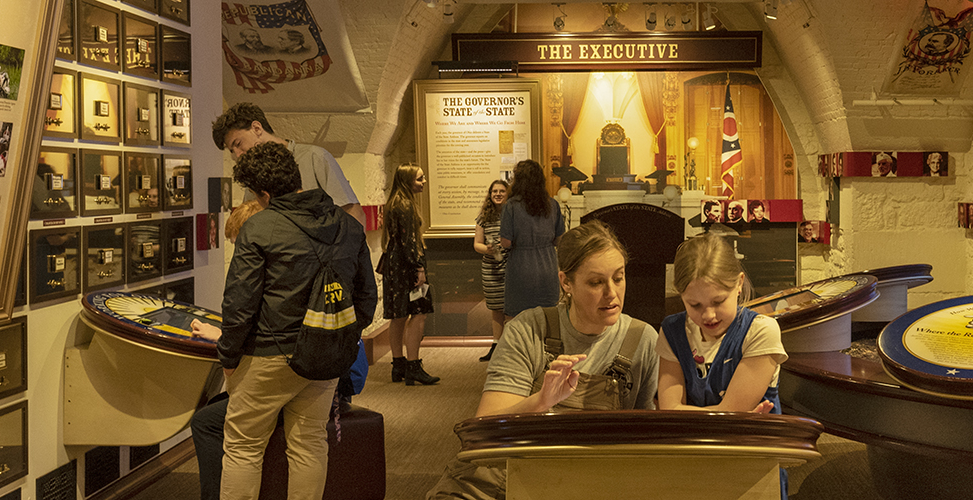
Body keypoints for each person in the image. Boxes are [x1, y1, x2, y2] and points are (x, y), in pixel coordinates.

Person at [426, 221, 660, 499]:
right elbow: (485, 428)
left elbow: (645, 438)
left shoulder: (641, 338)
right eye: (596, 282)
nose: (611, 292)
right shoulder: (529, 329)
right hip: (510, 473)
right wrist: (542, 401)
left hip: (591, 478)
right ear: (566, 282)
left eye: (618, 278)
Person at [201, 141, 376, 500]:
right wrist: (341, 340)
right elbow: (366, 298)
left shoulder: (261, 227)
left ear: (264, 192)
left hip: (267, 355)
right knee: (310, 444)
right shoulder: (348, 225)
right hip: (324, 357)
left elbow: (239, 303)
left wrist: (229, 357)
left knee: (243, 447)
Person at [657, 231, 788, 496]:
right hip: (690, 464)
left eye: (718, 301)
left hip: (752, 462)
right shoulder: (671, 330)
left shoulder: (761, 330)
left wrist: (709, 414)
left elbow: (729, 412)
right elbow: (669, 409)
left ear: (739, 284)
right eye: (694, 304)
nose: (708, 315)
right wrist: (729, 416)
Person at [212, 102, 367, 225]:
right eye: (232, 151)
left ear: (257, 128)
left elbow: (353, 216)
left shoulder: (315, 157)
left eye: (238, 143)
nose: (237, 155)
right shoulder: (252, 174)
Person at [379, 164, 439, 385]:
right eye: (419, 179)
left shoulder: (394, 202)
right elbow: (409, 242)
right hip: (407, 267)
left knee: (398, 316)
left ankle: (399, 364)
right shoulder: (405, 206)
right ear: (407, 181)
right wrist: (419, 268)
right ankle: (413, 365)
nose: (424, 182)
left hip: (395, 265)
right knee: (419, 313)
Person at [500, 160, 566, 320]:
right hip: (548, 267)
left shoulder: (511, 206)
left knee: (518, 319)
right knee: (548, 317)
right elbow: (560, 240)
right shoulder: (552, 204)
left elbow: (505, 242)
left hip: (521, 268)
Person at [473, 180, 511, 362]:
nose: (498, 194)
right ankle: (496, 345)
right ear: (490, 194)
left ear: (507, 193)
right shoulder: (484, 216)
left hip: (510, 265)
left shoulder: (512, 214)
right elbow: (476, 244)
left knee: (511, 307)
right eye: (494, 191)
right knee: (496, 308)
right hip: (491, 267)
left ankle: (510, 346)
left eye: (501, 191)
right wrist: (487, 249)